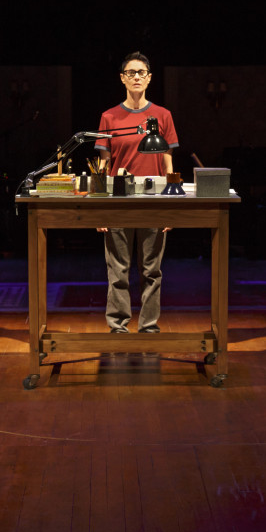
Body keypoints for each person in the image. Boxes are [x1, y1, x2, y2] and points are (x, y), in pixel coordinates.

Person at [94, 52, 179, 333]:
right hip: (118, 199)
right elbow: (103, 164)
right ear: (122, 78)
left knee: (151, 271)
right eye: (131, 72)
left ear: (150, 77)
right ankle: (118, 326)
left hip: (153, 199)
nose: (137, 77)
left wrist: (171, 203)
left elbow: (168, 160)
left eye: (141, 72)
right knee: (117, 269)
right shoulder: (109, 117)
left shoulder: (162, 115)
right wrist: (100, 207)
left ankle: (149, 327)